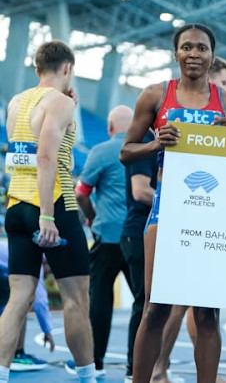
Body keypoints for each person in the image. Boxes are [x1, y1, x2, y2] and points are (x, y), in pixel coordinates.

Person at [120, 23, 226, 383]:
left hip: (212, 214)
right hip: (166, 208)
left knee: (207, 313)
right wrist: (155, 144)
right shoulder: (155, 95)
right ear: (176, 53)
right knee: (155, 308)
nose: (194, 54)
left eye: (201, 48)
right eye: (186, 47)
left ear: (211, 55)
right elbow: (126, 152)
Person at [0, 40, 98, 383]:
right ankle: (88, 375)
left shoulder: (15, 102)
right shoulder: (59, 103)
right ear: (68, 69)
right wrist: (47, 216)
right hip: (53, 206)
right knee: (75, 299)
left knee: (18, 298)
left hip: (16, 206)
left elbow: (23, 153)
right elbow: (45, 157)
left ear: (37, 68)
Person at [68, 105, 134, 377]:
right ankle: (137, 366)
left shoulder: (102, 151)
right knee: (144, 303)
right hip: (138, 237)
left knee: (99, 302)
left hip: (106, 234)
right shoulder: (148, 150)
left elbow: (81, 192)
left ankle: (95, 362)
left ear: (109, 127)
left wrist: (92, 217)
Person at [119, 128, 158, 382]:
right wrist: (182, 203)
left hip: (144, 230)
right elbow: (141, 191)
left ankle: (146, 369)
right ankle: (135, 370)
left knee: (151, 304)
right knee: (146, 304)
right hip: (138, 231)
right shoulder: (146, 141)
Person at [0, 242, 54, 372]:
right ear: (46, 263)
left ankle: (10, 353)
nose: (49, 273)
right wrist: (47, 331)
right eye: (50, 270)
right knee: (21, 303)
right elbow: (39, 301)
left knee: (9, 304)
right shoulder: (35, 262)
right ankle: (17, 354)